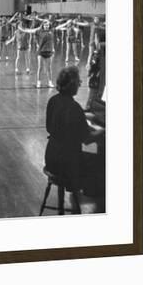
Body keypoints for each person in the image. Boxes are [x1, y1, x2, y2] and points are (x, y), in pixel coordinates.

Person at [44, 66, 104, 212]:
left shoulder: (53, 100)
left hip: (51, 157)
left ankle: (84, 195)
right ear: (71, 85)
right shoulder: (74, 107)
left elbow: (52, 127)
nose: (80, 84)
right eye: (78, 81)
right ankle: (99, 204)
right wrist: (102, 131)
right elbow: (87, 139)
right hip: (67, 164)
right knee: (102, 162)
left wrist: (82, 122)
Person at [85, 30, 105, 110]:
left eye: (96, 38)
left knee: (91, 98)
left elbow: (92, 67)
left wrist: (89, 73)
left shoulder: (97, 53)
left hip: (96, 80)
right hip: (102, 80)